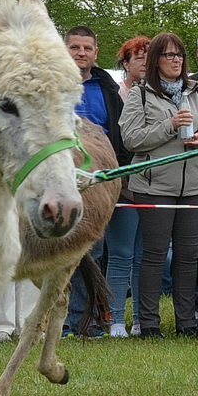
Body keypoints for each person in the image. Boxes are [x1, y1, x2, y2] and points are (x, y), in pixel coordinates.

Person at [120, 31, 198, 337]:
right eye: (169, 55)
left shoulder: (196, 92)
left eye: (179, 55)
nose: (176, 61)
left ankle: (186, 323)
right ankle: (149, 324)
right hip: (154, 187)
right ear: (156, 60)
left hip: (193, 186)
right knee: (154, 255)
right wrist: (169, 126)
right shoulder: (140, 93)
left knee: (189, 256)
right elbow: (131, 139)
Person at [61, 25, 132, 337]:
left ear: (95, 53)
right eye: (75, 47)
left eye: (87, 48)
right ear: (65, 50)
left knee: (95, 250)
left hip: (99, 178)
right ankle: (61, 320)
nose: (81, 53)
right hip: (59, 175)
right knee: (59, 250)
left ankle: (86, 319)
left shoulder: (107, 89)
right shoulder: (53, 86)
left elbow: (119, 134)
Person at [117, 35, 150, 101]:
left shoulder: (159, 93)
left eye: (149, 59)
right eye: (140, 58)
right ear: (126, 65)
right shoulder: (116, 92)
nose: (145, 63)